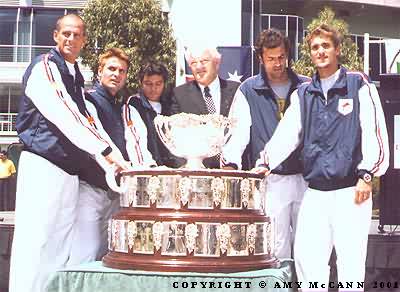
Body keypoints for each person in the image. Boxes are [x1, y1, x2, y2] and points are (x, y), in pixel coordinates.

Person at [253, 24, 389, 291]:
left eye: (326, 46)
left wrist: (366, 174)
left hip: (352, 191)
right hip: (314, 192)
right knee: (309, 263)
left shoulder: (357, 84)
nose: (320, 51)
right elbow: (286, 135)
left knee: (350, 265)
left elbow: (375, 132)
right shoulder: (303, 94)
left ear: (337, 49)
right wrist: (265, 163)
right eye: (315, 47)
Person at [10, 14, 129, 292]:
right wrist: (107, 151)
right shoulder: (45, 66)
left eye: (77, 35)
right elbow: (66, 114)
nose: (70, 39)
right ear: (55, 36)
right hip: (43, 165)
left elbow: (89, 123)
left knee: (59, 247)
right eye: (66, 33)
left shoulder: (75, 77)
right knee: (36, 244)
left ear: (84, 41)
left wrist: (114, 163)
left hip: (68, 174)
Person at [230, 28, 309, 259]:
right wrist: (231, 164)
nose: (277, 64)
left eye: (282, 57)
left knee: (308, 244)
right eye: (271, 59)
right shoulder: (248, 89)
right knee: (277, 245)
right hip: (272, 180)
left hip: (306, 178)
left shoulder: (306, 87)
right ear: (260, 58)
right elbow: (238, 132)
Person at [169, 46, 249, 169]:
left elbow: (242, 130)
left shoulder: (237, 90)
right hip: (195, 174)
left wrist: (230, 163)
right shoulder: (179, 94)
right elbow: (177, 136)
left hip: (231, 172)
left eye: (204, 61)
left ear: (217, 63)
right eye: (194, 63)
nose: (199, 67)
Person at [128, 61, 175, 167]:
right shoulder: (134, 104)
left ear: (164, 83)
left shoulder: (171, 106)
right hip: (148, 167)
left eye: (158, 84)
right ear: (141, 83)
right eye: (148, 84)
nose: (153, 89)